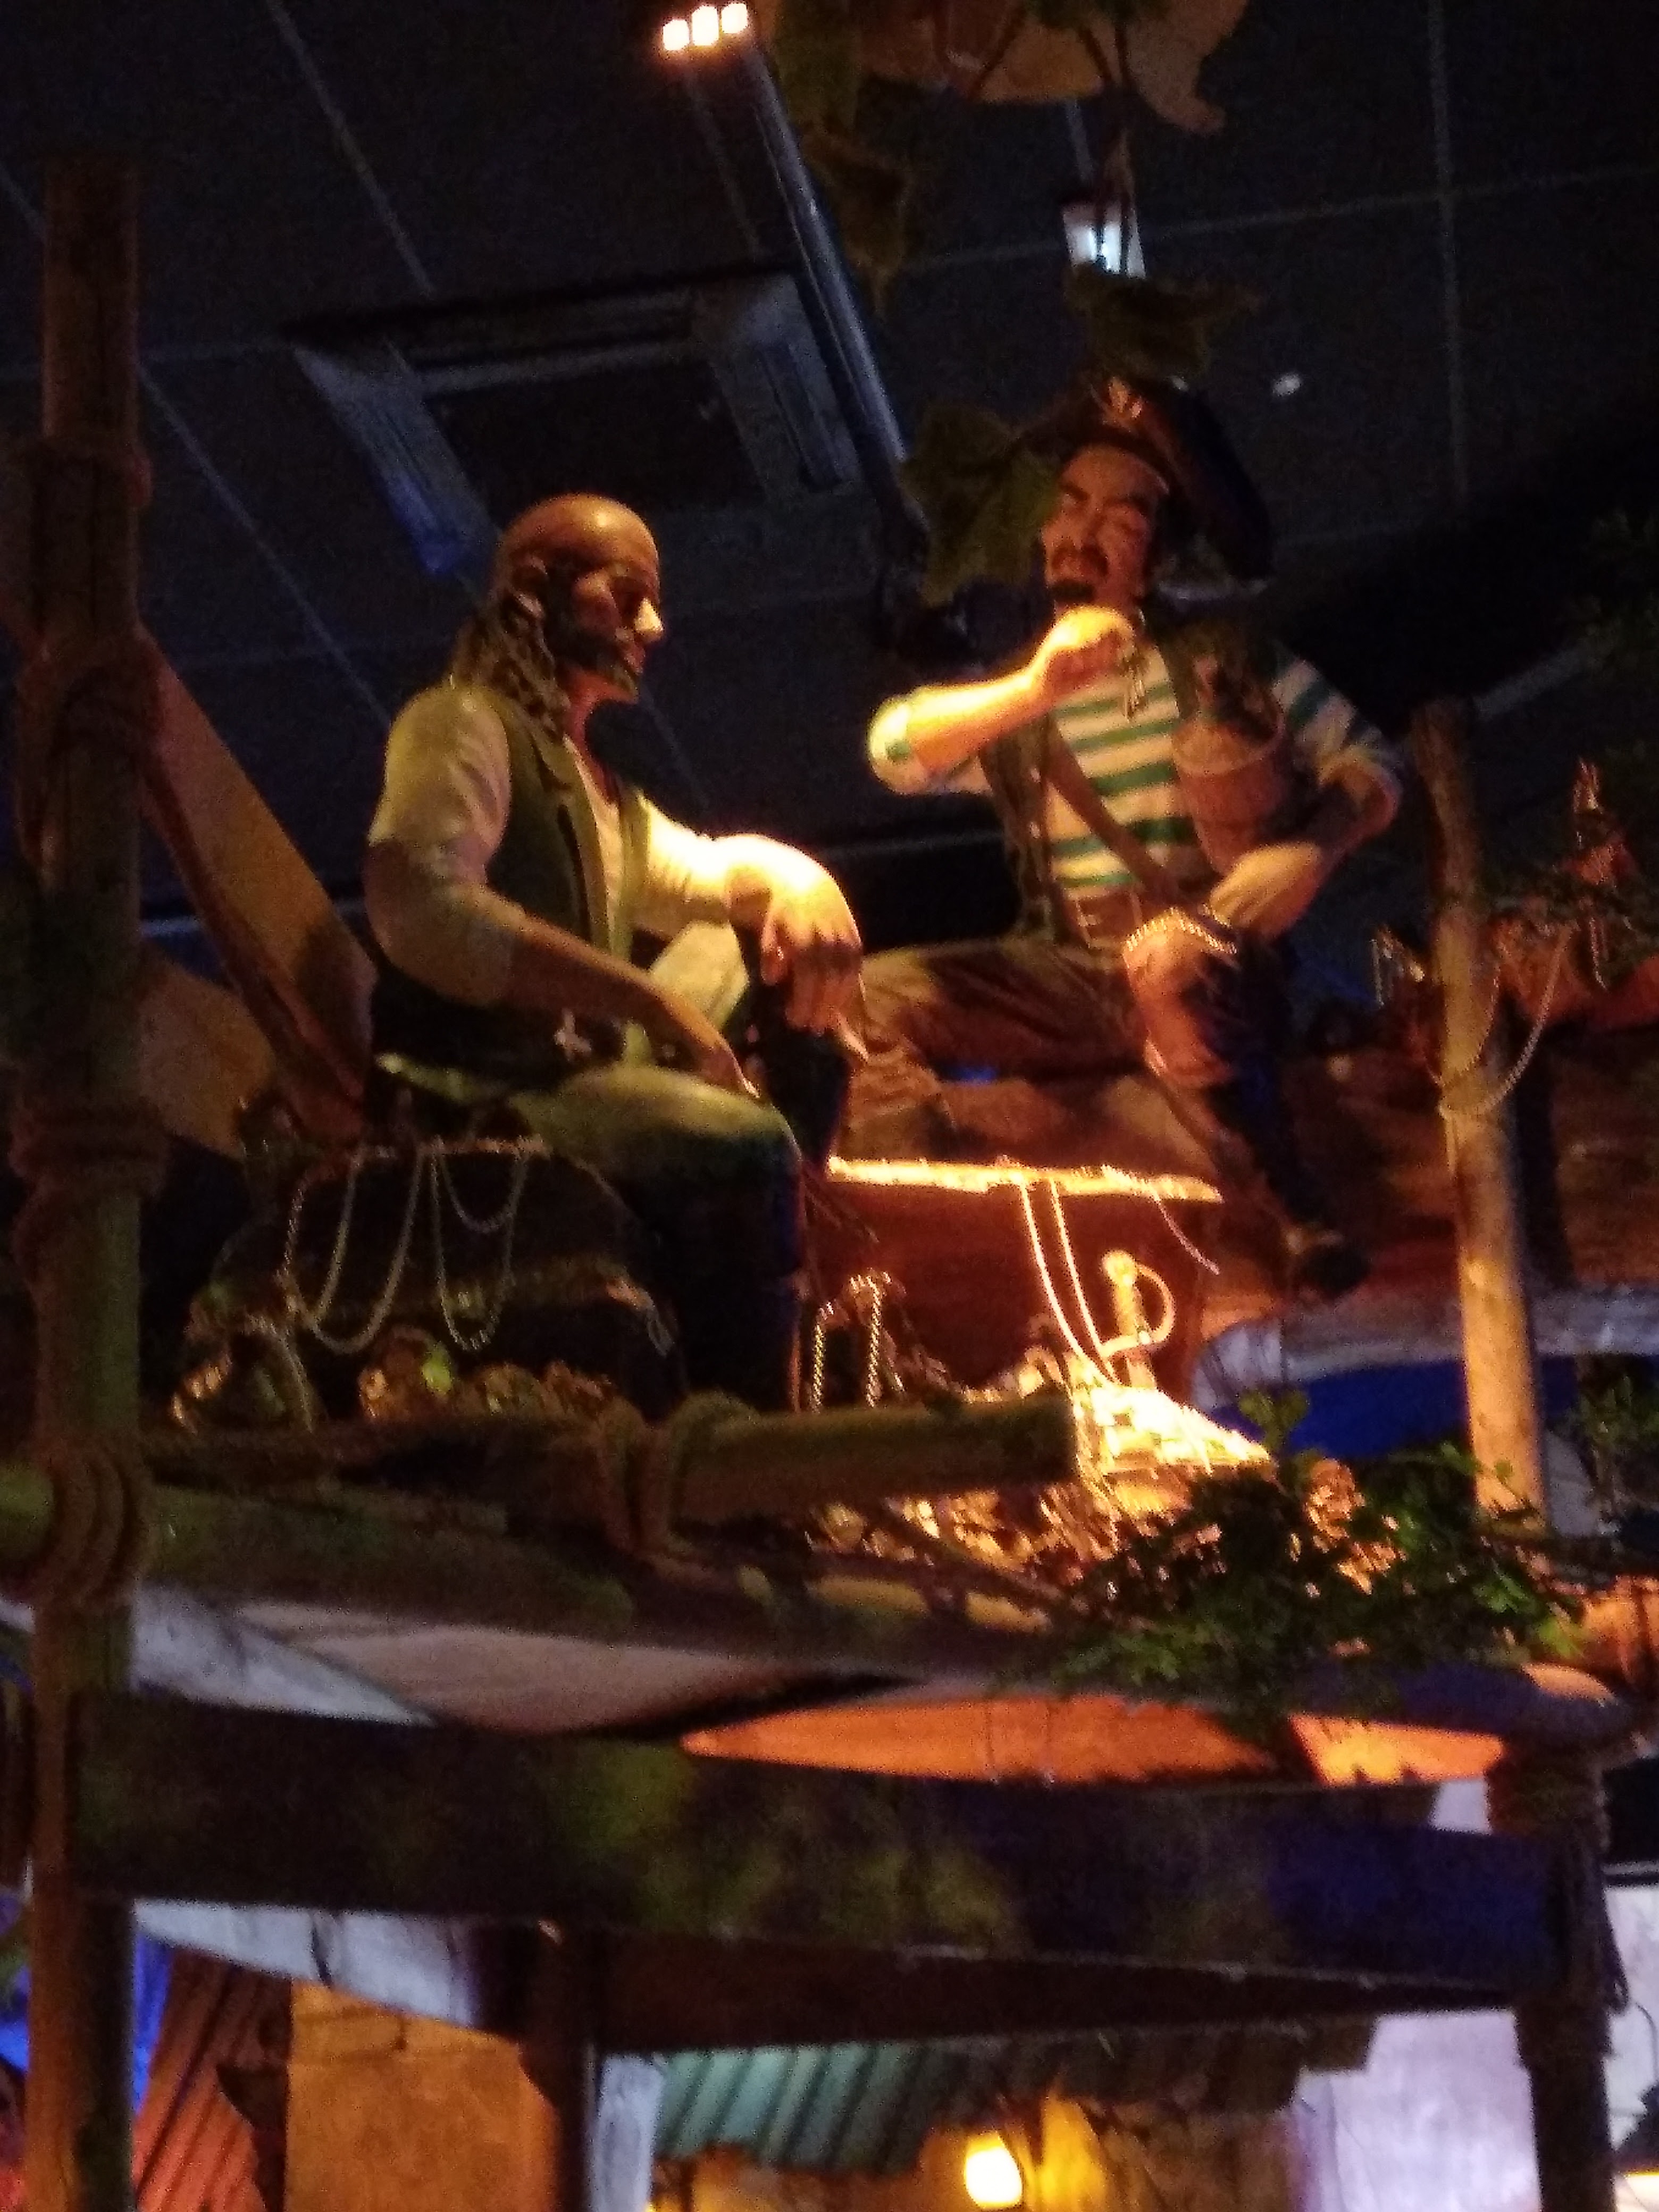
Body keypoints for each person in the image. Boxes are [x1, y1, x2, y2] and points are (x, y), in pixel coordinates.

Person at [848, 379, 1401, 1303]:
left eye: (1121, 515)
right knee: (863, 996)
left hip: (1201, 956)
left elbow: (1373, 761)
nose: (1083, 531)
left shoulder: (1219, 658)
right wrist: (1034, 688)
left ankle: (1289, 1203)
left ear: (1155, 556)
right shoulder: (1021, 695)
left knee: (1171, 967)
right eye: (1070, 506)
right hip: (1068, 971)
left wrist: (1312, 850)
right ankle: (913, 1202)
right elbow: (893, 751)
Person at [363, 492, 861, 1405]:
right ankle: (749, 1422)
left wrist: (801, 881)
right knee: (748, 1147)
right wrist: (647, 1000)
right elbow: (419, 906)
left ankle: (795, 1210)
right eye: (626, 597)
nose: (652, 626)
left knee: (754, 942)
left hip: (574, 1074)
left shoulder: (596, 788)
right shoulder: (461, 723)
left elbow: (712, 874)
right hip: (489, 1091)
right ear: (535, 593)